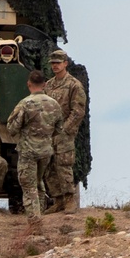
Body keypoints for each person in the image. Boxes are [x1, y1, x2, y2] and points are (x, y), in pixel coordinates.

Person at [6, 70, 64, 220]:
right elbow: (59, 129)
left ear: (29, 84)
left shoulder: (25, 104)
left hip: (28, 152)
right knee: (39, 182)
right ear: (44, 84)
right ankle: (41, 214)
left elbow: (12, 128)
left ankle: (35, 221)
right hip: (45, 151)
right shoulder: (54, 104)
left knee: (29, 186)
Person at [45, 49, 87, 214]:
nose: (55, 66)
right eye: (53, 63)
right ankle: (58, 200)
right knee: (49, 167)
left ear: (65, 64)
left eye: (58, 63)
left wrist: (65, 130)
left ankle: (70, 200)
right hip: (48, 133)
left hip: (65, 133)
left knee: (63, 166)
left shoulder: (74, 85)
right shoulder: (48, 85)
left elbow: (78, 111)